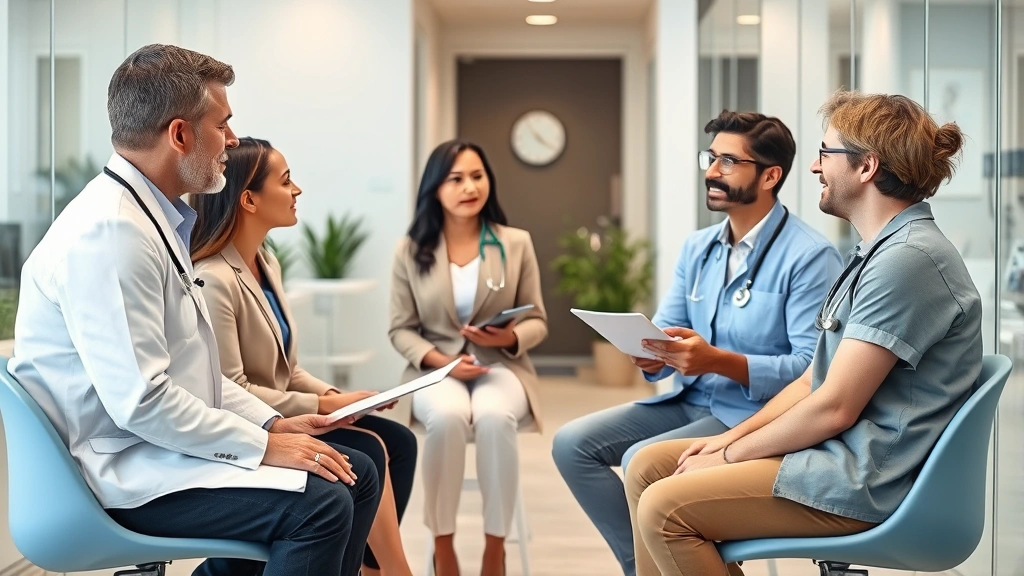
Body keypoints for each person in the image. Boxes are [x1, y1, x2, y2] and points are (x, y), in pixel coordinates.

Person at [7, 44, 380, 576]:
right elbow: (143, 403)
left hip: (154, 449)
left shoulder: (155, 220)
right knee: (319, 504)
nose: (232, 140)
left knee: (354, 473)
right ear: (180, 134)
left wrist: (275, 425)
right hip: (117, 472)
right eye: (223, 125)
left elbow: (196, 373)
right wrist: (260, 447)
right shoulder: (111, 234)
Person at [625, 91, 983, 576]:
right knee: (646, 468)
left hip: (867, 476)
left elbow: (834, 406)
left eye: (825, 153)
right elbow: (812, 380)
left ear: (866, 167)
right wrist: (728, 442)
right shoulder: (878, 252)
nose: (814, 167)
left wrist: (729, 454)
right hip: (836, 450)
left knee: (664, 507)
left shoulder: (909, 261)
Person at [551, 110, 842, 576]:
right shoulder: (699, 247)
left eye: (729, 161)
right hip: (690, 401)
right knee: (571, 444)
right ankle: (644, 565)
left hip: (750, 416)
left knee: (637, 461)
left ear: (770, 175)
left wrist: (718, 361)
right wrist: (648, 352)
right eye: (711, 158)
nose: (711, 171)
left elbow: (813, 369)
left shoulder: (810, 257)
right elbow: (667, 332)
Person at [189, 137, 418, 576]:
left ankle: (372, 570)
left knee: (401, 442)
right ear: (249, 199)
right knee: (368, 450)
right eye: (287, 181)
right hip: (253, 426)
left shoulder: (266, 263)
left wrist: (337, 395)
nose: (298, 191)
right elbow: (230, 389)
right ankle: (393, 570)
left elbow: (288, 371)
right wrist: (326, 406)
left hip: (287, 411)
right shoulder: (214, 278)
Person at [389, 140, 548, 576]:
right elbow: (400, 329)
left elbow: (538, 320)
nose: (469, 187)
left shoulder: (515, 243)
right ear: (435, 188)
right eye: (456, 178)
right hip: (435, 369)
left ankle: (496, 546)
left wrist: (509, 336)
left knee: (496, 418)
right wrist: (441, 361)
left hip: (501, 366)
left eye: (477, 176)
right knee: (448, 417)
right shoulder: (410, 249)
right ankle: (444, 544)